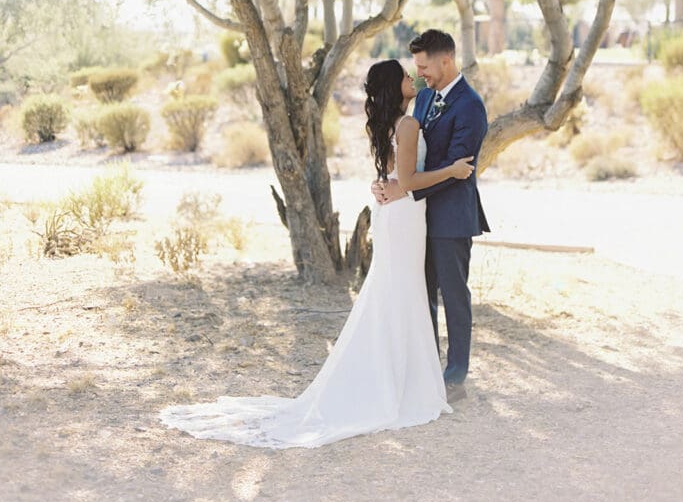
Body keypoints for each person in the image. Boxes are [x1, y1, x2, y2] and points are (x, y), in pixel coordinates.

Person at [158, 58, 473, 449]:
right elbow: (408, 180)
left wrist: (387, 183)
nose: (413, 78)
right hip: (406, 214)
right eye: (406, 76)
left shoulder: (393, 123)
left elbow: (394, 176)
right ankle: (401, 383)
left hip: (396, 213)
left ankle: (397, 377)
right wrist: (453, 171)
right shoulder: (407, 125)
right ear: (396, 86)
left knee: (395, 293)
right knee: (401, 292)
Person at [373, 29, 489, 404]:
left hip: (451, 216)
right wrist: (387, 183)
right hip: (415, 217)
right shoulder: (422, 99)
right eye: (417, 67)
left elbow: (458, 165)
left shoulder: (470, 106)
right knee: (420, 296)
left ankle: (455, 377)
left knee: (454, 296)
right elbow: (403, 152)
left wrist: (404, 187)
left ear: (446, 60)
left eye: (425, 66)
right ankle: (424, 371)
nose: (420, 73)